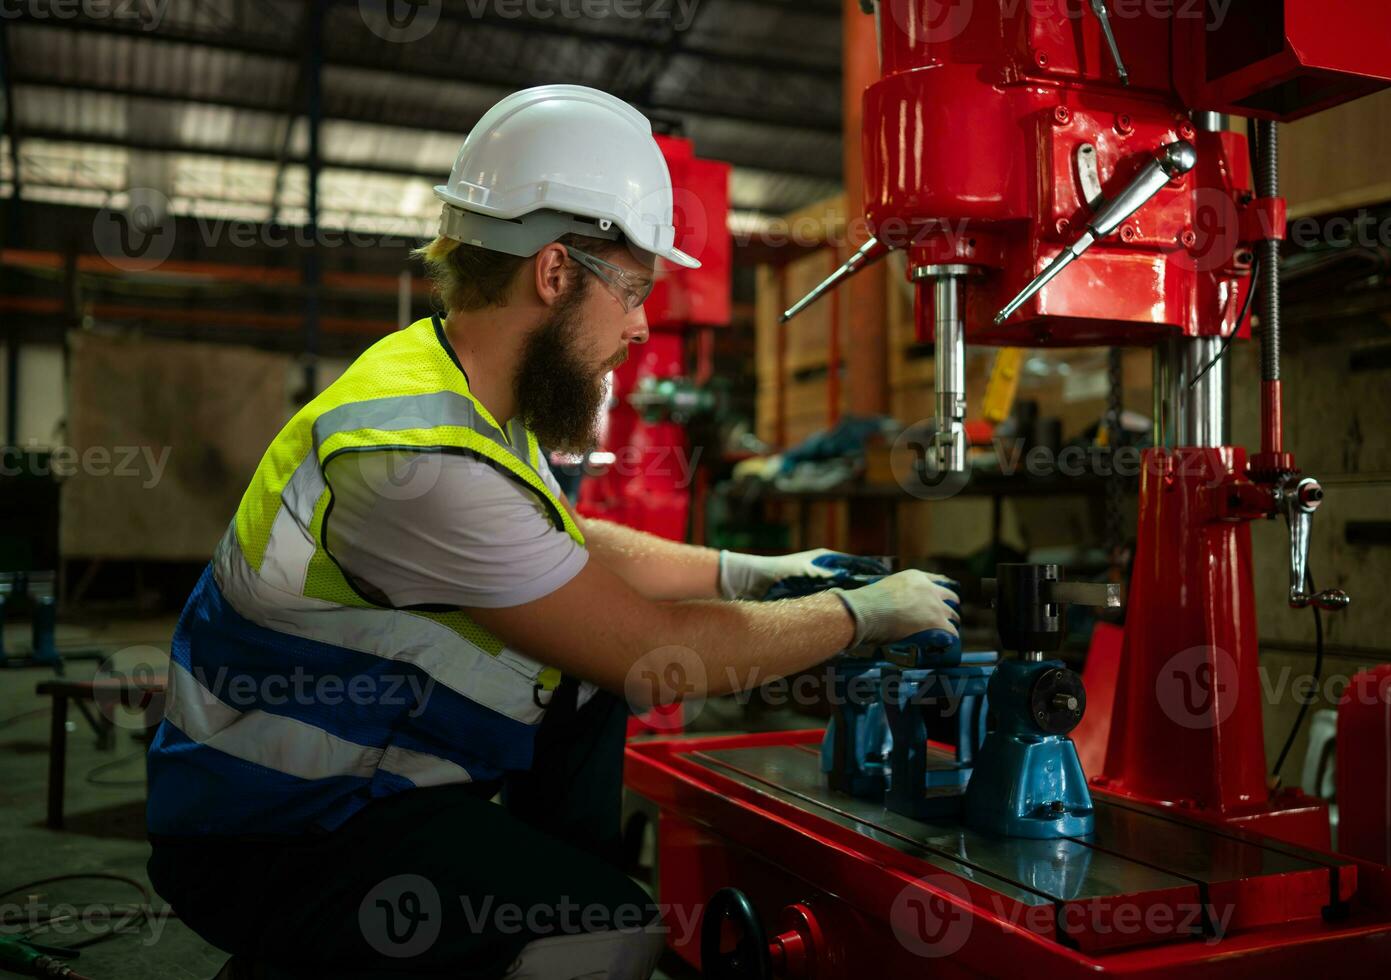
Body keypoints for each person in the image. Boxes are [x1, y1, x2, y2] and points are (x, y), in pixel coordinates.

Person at [144, 84, 960, 980]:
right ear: (557, 271)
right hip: (273, 834)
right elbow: (652, 653)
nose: (644, 326)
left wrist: (749, 571)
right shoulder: (419, 461)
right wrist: (862, 614)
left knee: (577, 692)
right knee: (608, 930)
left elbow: (566, 547)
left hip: (350, 790)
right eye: (636, 292)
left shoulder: (460, 386)